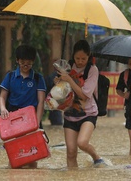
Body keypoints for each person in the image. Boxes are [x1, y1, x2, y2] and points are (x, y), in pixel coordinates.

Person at [55, 40, 106, 168]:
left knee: (82, 143)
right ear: (73, 56)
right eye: (77, 58)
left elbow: (84, 95)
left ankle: (96, 157)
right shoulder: (67, 67)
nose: (80, 61)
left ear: (89, 56)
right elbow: (62, 92)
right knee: (71, 152)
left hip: (88, 113)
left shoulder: (92, 70)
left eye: (83, 58)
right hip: (70, 113)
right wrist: (59, 82)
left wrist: (69, 80)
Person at [0, 44, 46, 168]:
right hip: (13, 119)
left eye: (29, 63)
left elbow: (41, 102)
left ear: (33, 62)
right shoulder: (9, 77)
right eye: (23, 63)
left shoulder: (37, 78)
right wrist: (3, 108)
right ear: (17, 60)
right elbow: (2, 97)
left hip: (32, 118)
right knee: (14, 155)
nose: (26, 66)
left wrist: (37, 122)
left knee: (33, 155)